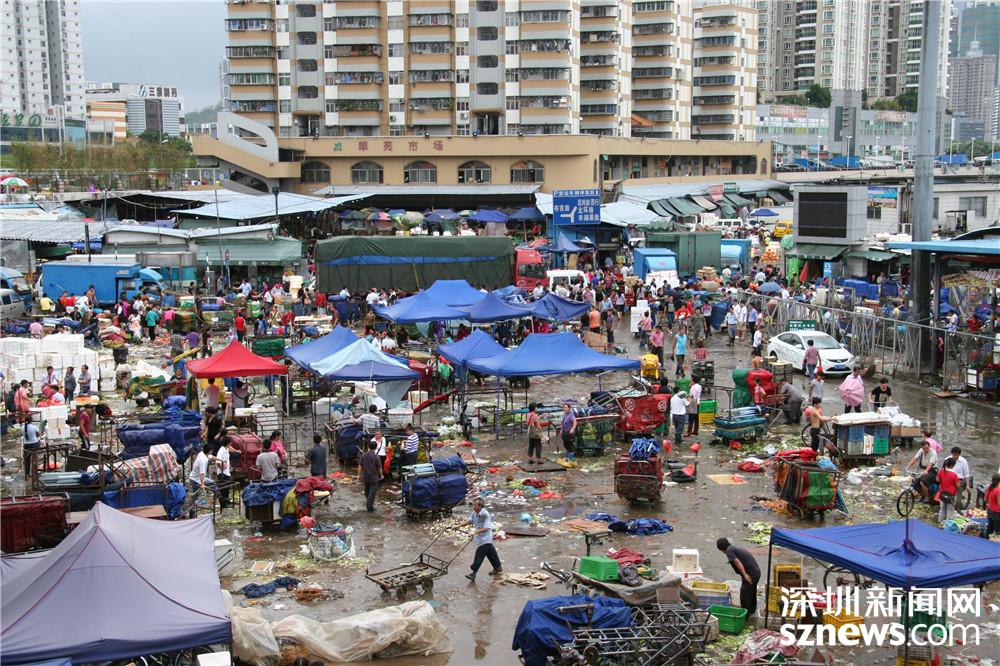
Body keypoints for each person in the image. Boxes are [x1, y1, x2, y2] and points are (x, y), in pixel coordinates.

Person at [717, 538, 761, 616]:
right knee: (751, 593)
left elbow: (737, 561)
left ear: (721, 549)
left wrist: (745, 575)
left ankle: (745, 616)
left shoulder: (729, 551)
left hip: (751, 574)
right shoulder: (734, 548)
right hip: (756, 572)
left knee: (744, 596)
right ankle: (751, 612)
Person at [465, 497, 502, 581]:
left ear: (480, 506)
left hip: (485, 538)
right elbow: (469, 521)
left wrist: (474, 532)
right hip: (481, 538)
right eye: (473, 505)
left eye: (475, 505)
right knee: (491, 553)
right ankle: (498, 567)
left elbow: (487, 528)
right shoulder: (474, 512)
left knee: (479, 556)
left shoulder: (485, 515)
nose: (473, 507)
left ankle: (473, 574)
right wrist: (458, 526)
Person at [189, 443, 214, 516]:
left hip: (194, 477)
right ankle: (192, 511)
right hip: (195, 479)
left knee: (212, 483)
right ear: (210, 451)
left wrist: (218, 459)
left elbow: (210, 456)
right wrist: (202, 484)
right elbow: (202, 473)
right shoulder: (203, 460)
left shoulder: (202, 453)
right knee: (195, 496)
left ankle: (192, 510)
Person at [359, 442, 382, 512]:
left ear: (369, 447)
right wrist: (381, 475)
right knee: (372, 492)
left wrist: (359, 475)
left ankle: (369, 503)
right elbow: (379, 468)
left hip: (366, 477)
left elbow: (360, 466)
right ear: (375, 448)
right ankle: (369, 507)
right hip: (374, 478)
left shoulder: (364, 455)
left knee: (367, 491)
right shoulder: (376, 457)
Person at [936, 457, 960, 523]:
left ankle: (940, 523)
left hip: (942, 493)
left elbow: (937, 480)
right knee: (950, 511)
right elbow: (958, 485)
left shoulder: (941, 471)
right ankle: (948, 525)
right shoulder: (954, 474)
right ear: (952, 465)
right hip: (951, 495)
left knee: (942, 509)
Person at [215, 435, 233, 509]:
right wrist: (222, 468)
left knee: (227, 488)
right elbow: (218, 461)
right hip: (222, 473)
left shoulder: (226, 449)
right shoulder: (221, 450)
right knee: (223, 489)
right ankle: (223, 504)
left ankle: (226, 501)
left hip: (227, 472)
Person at [985, 474, 1000, 539]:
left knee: (990, 527)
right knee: (997, 530)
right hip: (996, 513)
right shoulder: (998, 490)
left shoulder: (989, 488)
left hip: (990, 510)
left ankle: (986, 539)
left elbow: (985, 499)